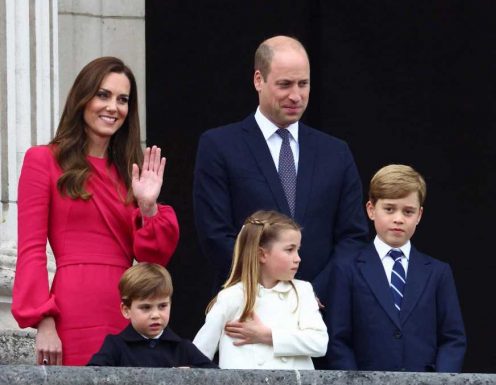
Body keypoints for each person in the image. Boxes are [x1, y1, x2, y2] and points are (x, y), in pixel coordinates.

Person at [12, 57, 179, 366]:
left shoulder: (132, 175)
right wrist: (44, 321)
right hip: (72, 308)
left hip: (125, 309)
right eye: (103, 95)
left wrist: (148, 206)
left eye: (122, 99)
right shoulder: (43, 160)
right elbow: (31, 250)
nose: (113, 107)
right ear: (82, 98)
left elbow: (153, 260)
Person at [193, 35, 368, 303]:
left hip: (320, 313)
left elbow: (352, 236)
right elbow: (215, 234)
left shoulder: (336, 152)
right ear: (258, 80)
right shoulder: (219, 146)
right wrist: (267, 290)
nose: (296, 95)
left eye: (303, 84)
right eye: (284, 84)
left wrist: (310, 294)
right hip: (247, 308)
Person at [326, 164, 467, 372]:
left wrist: (441, 380)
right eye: (389, 209)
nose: (398, 219)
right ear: (371, 210)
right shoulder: (347, 269)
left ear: (419, 215)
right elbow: (338, 339)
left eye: (408, 211)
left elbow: (453, 338)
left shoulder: (438, 272)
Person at [193, 210, 327, 369]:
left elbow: (319, 343)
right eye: (289, 250)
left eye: (297, 249)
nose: (298, 258)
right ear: (262, 254)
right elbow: (199, 353)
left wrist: (267, 336)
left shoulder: (303, 291)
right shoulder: (231, 297)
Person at [87, 263, 216, 368]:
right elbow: (90, 376)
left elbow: (219, 377)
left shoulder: (183, 348)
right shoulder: (115, 346)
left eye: (162, 306)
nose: (155, 315)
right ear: (126, 310)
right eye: (146, 307)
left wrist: (192, 375)